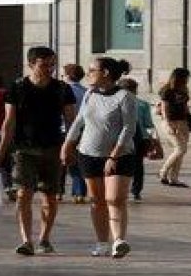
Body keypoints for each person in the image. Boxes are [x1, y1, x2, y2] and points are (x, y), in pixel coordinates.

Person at [0, 46, 77, 256]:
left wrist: (70, 147)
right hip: (24, 149)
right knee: (23, 194)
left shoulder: (62, 89)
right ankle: (26, 240)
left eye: (52, 65)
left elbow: (71, 120)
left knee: (50, 196)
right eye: (43, 65)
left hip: (53, 148)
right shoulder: (17, 88)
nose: (49, 69)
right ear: (31, 64)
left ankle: (44, 238)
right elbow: (9, 122)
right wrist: (1, 152)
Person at [60, 56, 137, 258]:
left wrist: (114, 155)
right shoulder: (90, 94)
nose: (88, 74)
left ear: (105, 73)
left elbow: (129, 128)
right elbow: (79, 121)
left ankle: (119, 240)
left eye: (92, 70)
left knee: (115, 198)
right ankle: (102, 242)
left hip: (120, 155)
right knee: (97, 200)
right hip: (89, 153)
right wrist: (68, 145)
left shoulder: (125, 96)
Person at [117, 78, 156, 202]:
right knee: (138, 164)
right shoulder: (143, 104)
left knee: (119, 162)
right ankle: (136, 190)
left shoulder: (117, 102)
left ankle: (119, 188)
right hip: (140, 137)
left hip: (121, 136)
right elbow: (149, 124)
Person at [157, 67, 191, 188]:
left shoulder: (184, 89)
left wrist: (189, 119)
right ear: (179, 77)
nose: (188, 79)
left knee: (182, 151)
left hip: (183, 121)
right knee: (180, 149)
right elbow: (164, 107)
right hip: (171, 122)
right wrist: (168, 123)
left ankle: (174, 178)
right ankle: (163, 172)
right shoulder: (167, 90)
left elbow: (185, 106)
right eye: (186, 77)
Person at [61, 64, 89, 204]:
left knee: (60, 162)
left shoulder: (61, 90)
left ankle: (58, 191)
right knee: (78, 162)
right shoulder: (87, 92)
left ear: (67, 75)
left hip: (62, 129)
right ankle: (79, 193)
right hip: (82, 130)